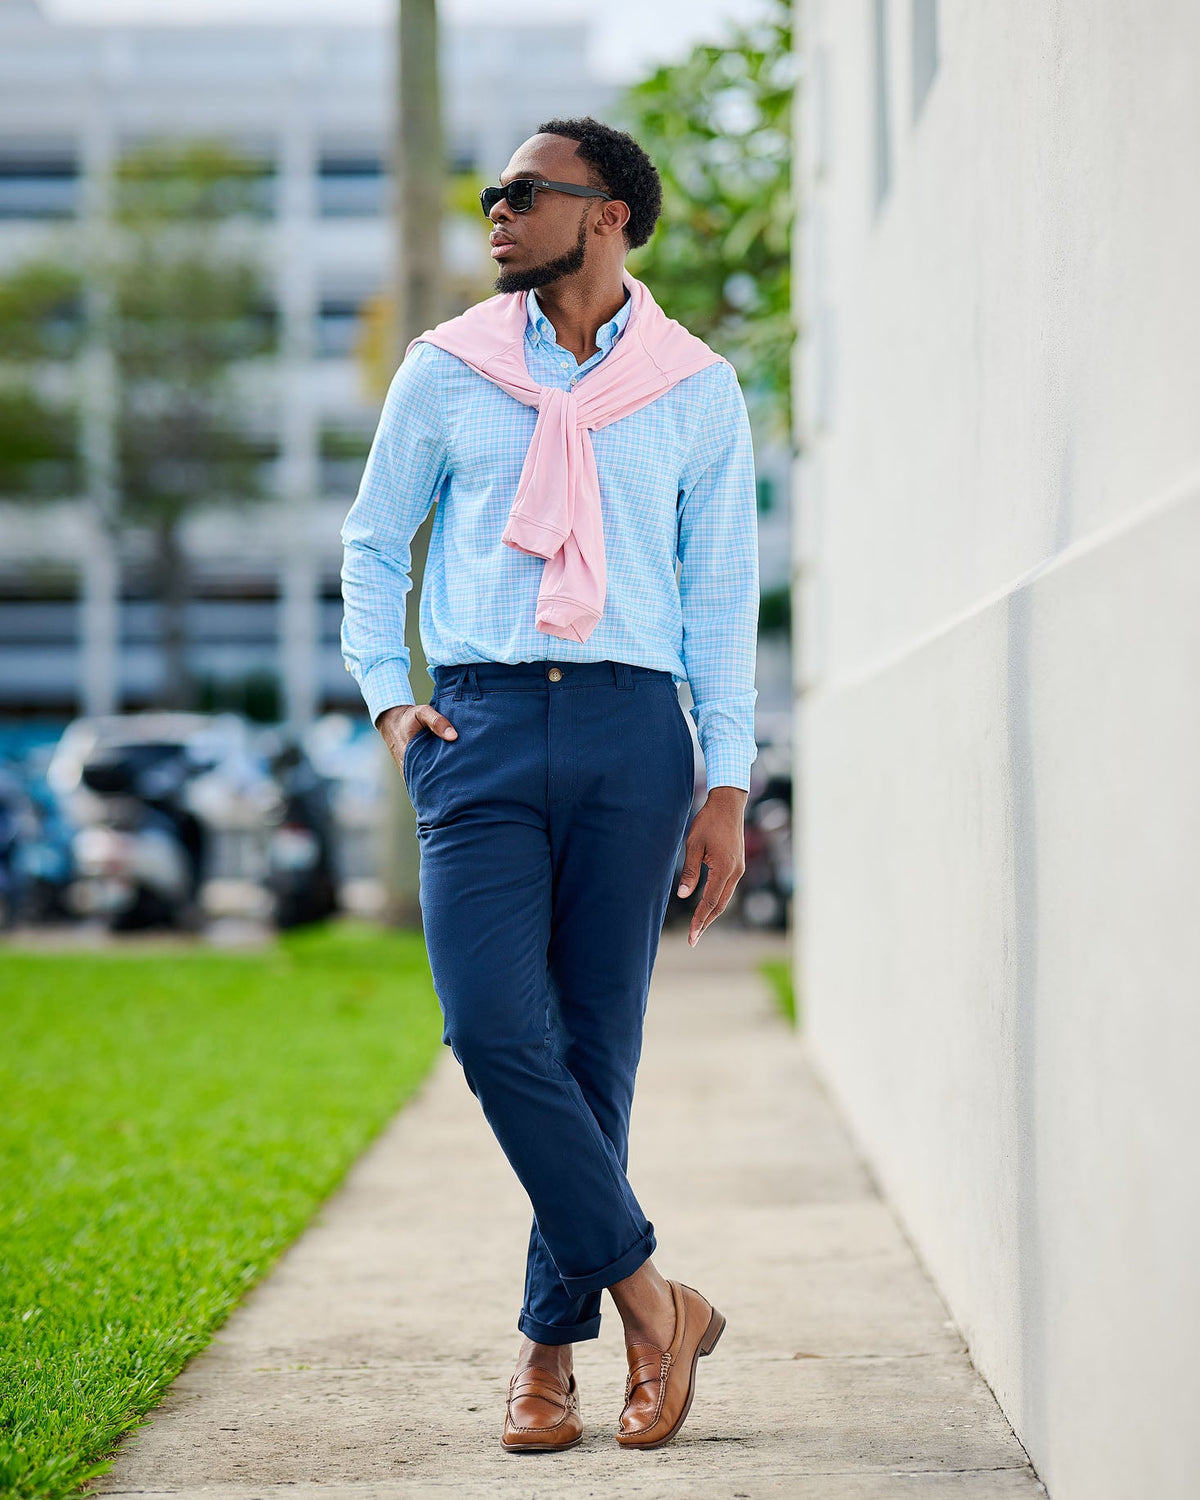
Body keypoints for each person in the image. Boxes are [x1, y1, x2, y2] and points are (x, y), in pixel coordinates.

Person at [340, 116, 759, 1453]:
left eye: (526, 194)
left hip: (639, 735)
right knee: (492, 1031)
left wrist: (727, 788)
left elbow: (718, 602)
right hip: (482, 727)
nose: (498, 214)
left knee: (598, 1052)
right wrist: (391, 703)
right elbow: (370, 545)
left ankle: (546, 1358)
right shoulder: (448, 369)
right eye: (491, 195)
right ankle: (654, 1299)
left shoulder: (697, 390)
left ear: (611, 215)